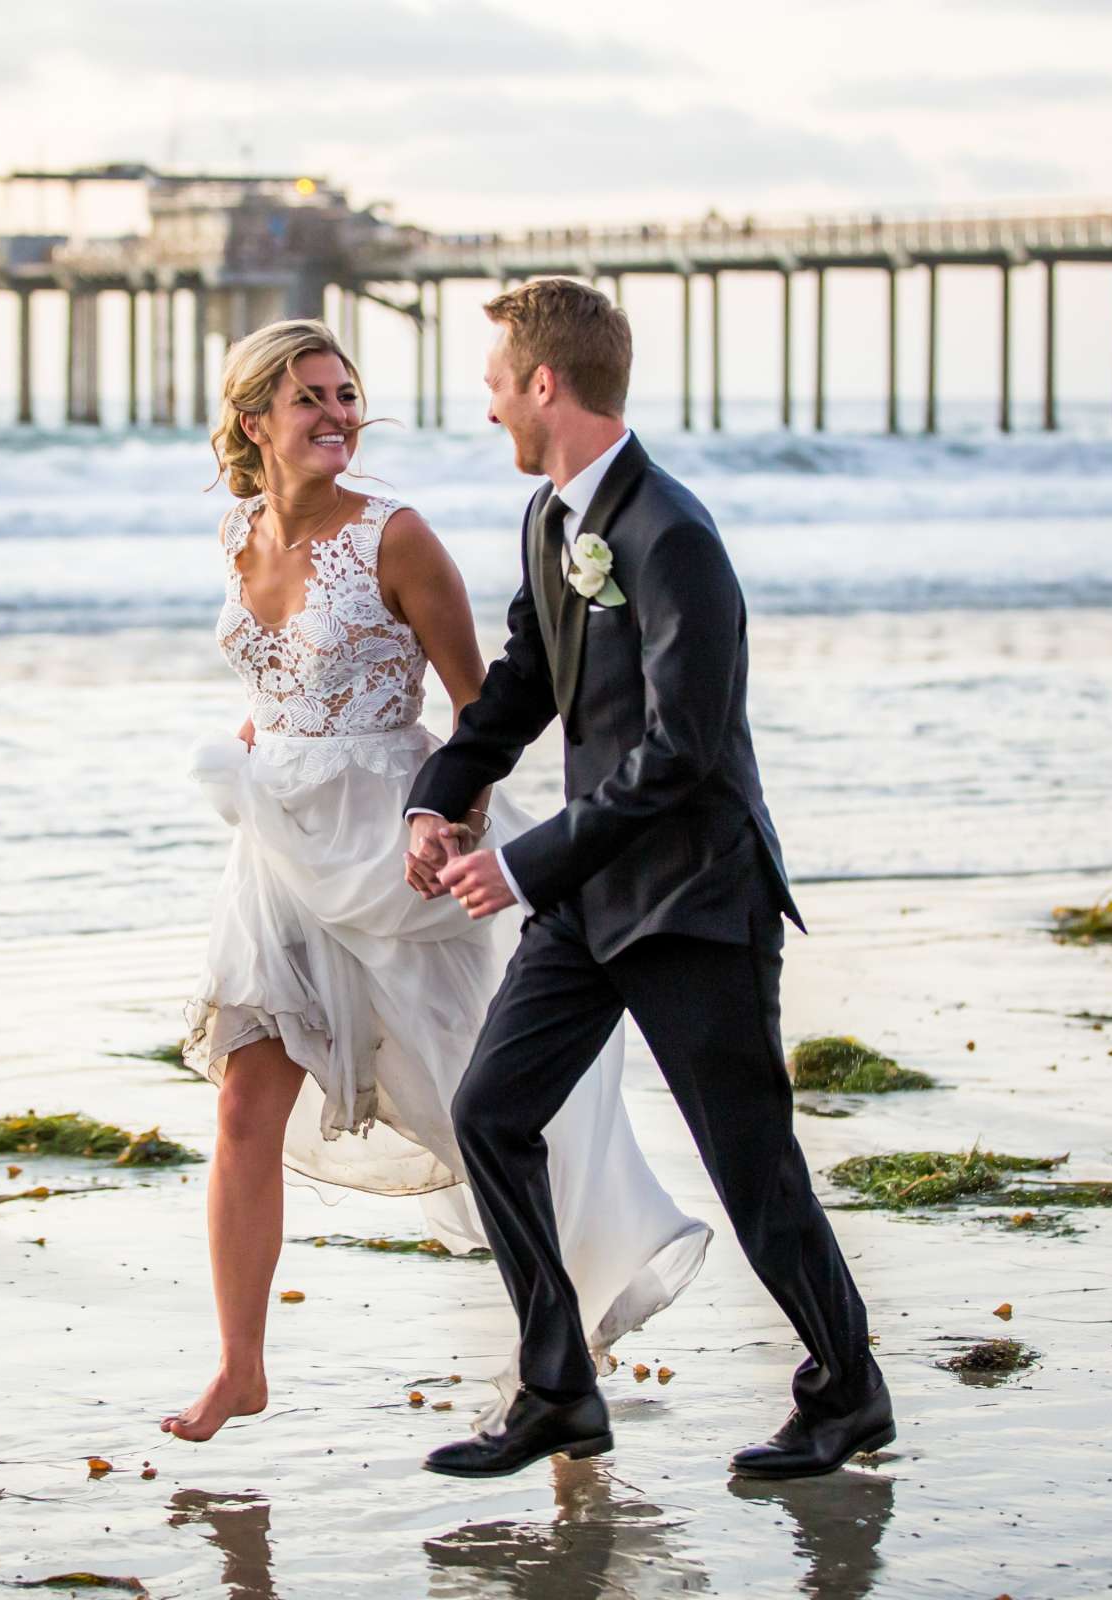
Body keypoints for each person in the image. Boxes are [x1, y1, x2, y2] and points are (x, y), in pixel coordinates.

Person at [163, 318, 709, 1443]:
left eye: (345, 395)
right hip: (277, 847)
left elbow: (480, 709)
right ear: (254, 417)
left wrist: (455, 831)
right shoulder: (235, 533)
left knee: (483, 1114)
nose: (335, 415)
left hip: (399, 855)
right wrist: (267, 735)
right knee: (244, 1098)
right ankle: (240, 1364)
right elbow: (277, 682)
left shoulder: (397, 538)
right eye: (309, 397)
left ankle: (565, 1350)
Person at [405, 279, 895, 1480]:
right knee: (492, 1114)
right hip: (590, 897)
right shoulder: (550, 519)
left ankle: (848, 1389)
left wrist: (519, 864)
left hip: (693, 898)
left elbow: (683, 756)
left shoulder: (674, 537)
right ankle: (557, 1390)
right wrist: (439, 790)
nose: (486, 408)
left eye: (493, 384)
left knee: (751, 1166)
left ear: (544, 384)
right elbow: (526, 678)